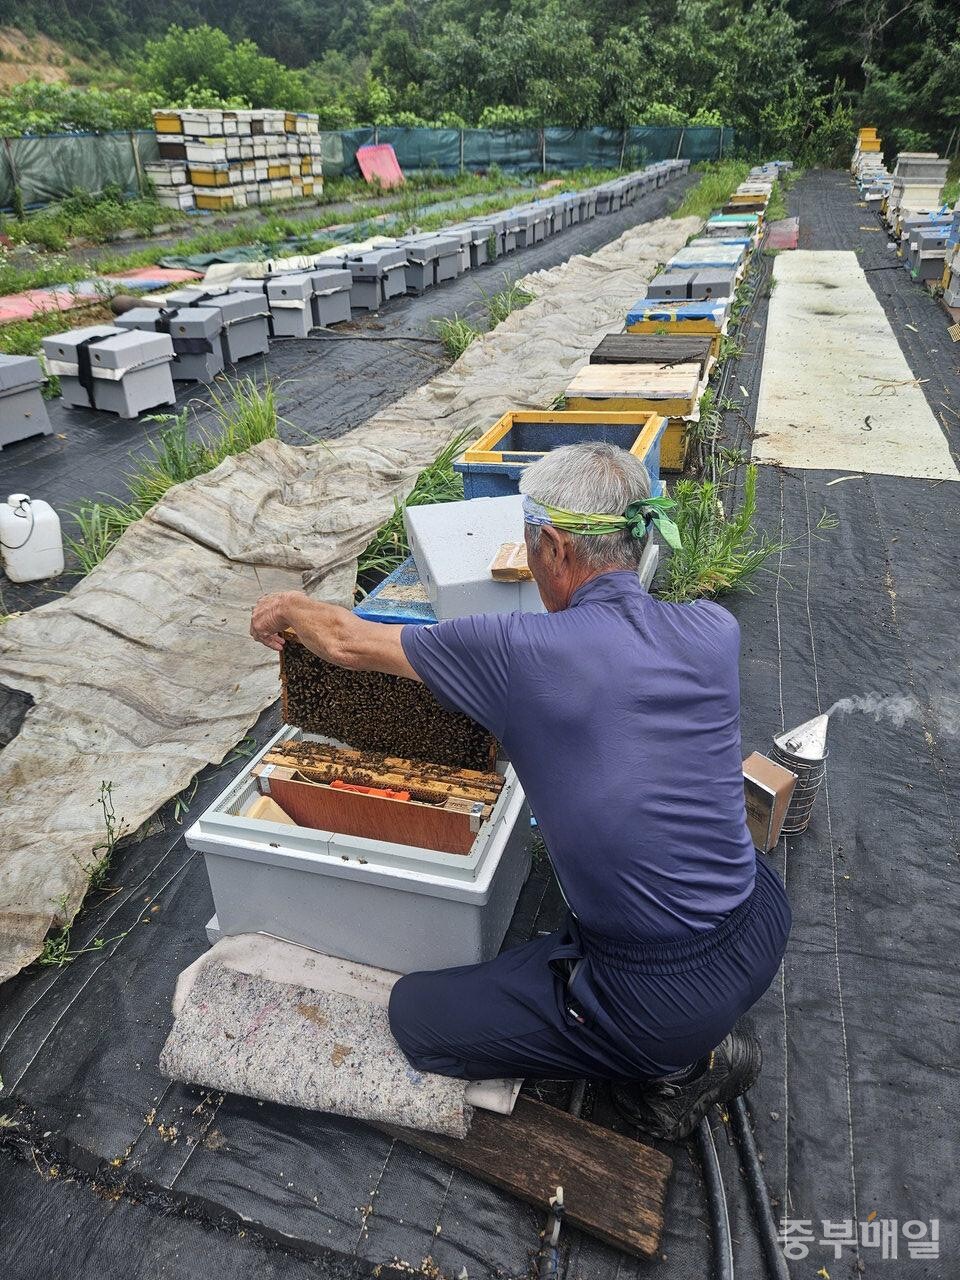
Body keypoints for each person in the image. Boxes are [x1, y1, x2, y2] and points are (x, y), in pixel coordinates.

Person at [250, 441, 791, 1140]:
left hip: (659, 997)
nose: (530, 561)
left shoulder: (518, 652)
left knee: (421, 1018)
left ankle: (680, 1072)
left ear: (557, 549)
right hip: (760, 916)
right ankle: (670, 1022)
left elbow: (351, 644)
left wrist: (288, 606)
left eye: (530, 544)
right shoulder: (713, 629)